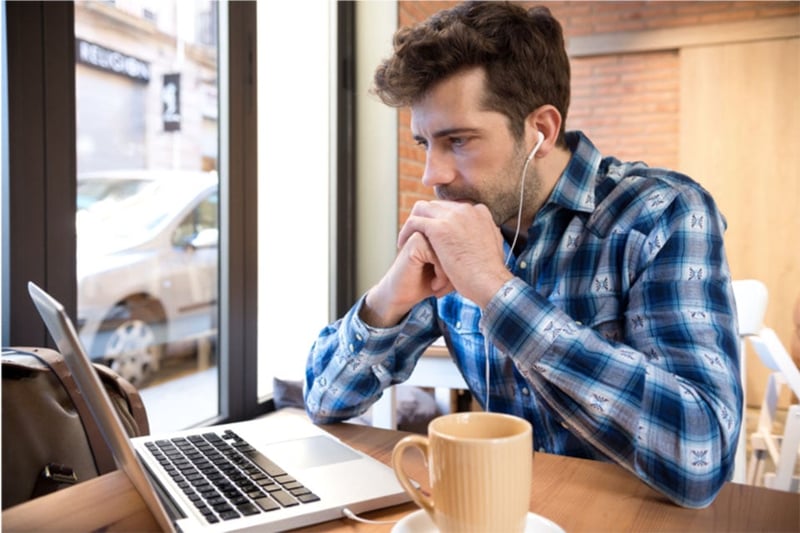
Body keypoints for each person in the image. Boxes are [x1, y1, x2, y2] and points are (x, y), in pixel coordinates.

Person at [304, 1, 741, 509]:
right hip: (504, 511)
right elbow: (325, 400)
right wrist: (386, 302)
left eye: (458, 140)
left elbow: (701, 456)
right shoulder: (463, 223)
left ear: (542, 130)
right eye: (424, 142)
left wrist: (496, 289)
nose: (431, 175)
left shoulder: (661, 212)